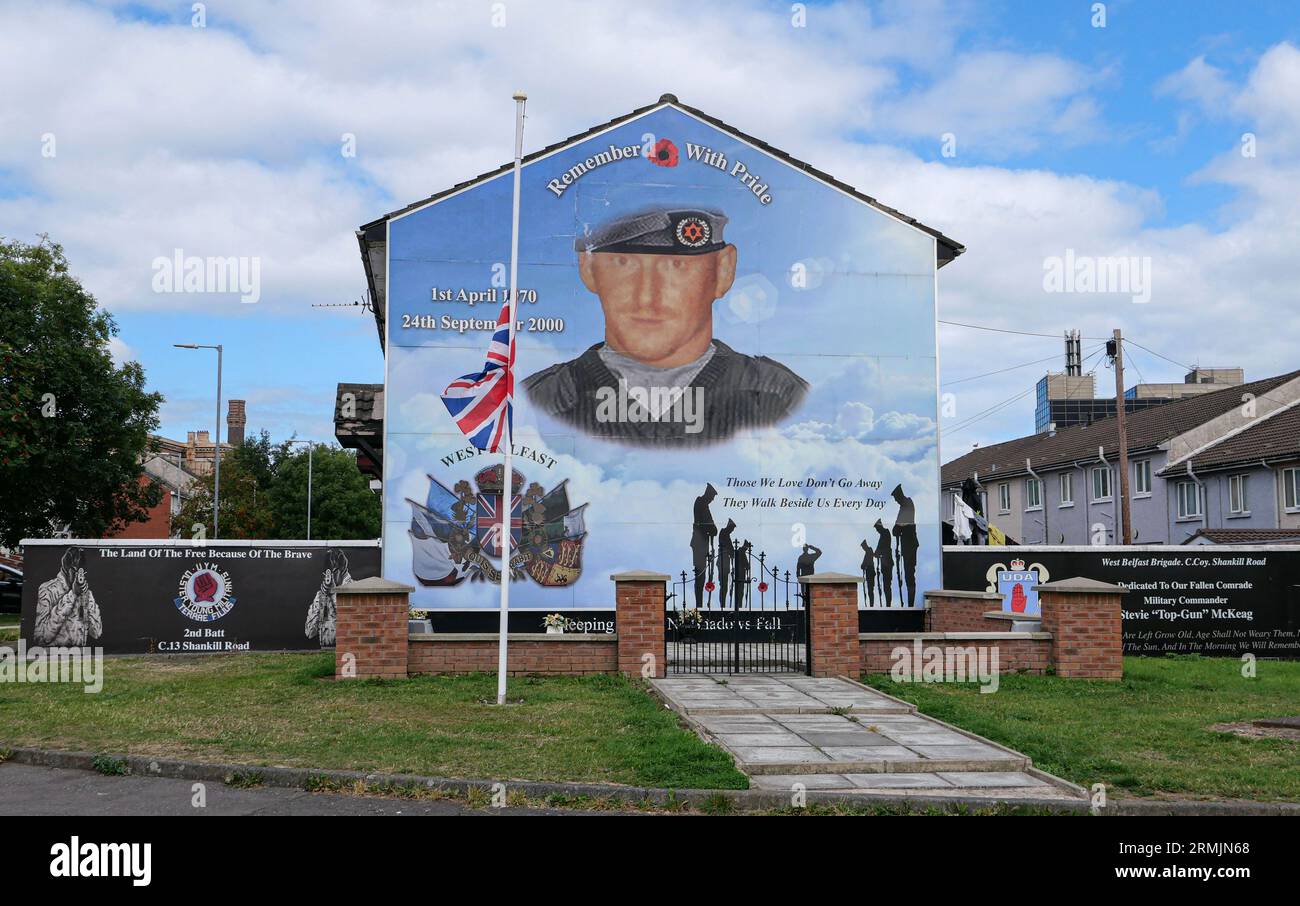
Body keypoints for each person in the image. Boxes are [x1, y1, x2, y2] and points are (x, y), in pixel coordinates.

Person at [523, 206, 809, 446]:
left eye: (677, 266)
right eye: (624, 263)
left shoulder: (779, 397)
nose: (648, 296)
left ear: (723, 271)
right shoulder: (537, 402)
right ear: (588, 269)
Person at [35, 547, 102, 647]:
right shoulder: (48, 590)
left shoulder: (86, 593)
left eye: (84, 573)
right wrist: (72, 595)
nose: (81, 577)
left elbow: (96, 632)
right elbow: (42, 637)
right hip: (55, 654)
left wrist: (85, 598)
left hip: (80, 654)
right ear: (67, 568)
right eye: (77, 572)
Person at [306, 549, 352, 647]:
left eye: (333, 572)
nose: (328, 577)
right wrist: (321, 599)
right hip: (325, 650)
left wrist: (333, 593)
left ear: (342, 569)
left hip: (347, 647)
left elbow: (350, 619)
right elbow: (309, 632)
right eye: (326, 574)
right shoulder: (322, 594)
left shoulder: (354, 589)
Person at [690, 484, 718, 609]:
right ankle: (699, 606)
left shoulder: (704, 505)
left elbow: (712, 527)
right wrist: (711, 528)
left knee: (702, 576)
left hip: (703, 544)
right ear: (708, 494)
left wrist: (712, 528)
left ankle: (700, 605)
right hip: (699, 544)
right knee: (700, 576)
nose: (712, 500)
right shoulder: (701, 503)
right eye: (712, 497)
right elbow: (708, 524)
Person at [890, 484, 919, 607]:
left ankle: (911, 604)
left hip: (909, 546)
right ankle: (910, 603)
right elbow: (896, 530)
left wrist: (898, 528)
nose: (896, 501)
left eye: (896, 499)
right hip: (907, 545)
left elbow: (896, 528)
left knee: (909, 576)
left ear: (899, 496)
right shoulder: (905, 505)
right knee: (908, 575)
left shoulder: (906, 505)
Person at [873, 519, 894, 607]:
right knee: (886, 585)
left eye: (877, 529)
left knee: (887, 585)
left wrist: (876, 553)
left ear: (880, 527)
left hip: (887, 563)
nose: (877, 531)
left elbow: (880, 548)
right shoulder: (884, 534)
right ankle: (888, 604)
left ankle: (888, 605)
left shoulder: (885, 533)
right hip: (885, 563)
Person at [717, 518, 737, 609]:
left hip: (725, 563)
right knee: (723, 585)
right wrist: (732, 552)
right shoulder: (724, 533)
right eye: (732, 529)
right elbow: (730, 549)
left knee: (724, 585)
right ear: (729, 527)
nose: (732, 531)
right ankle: (722, 605)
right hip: (723, 563)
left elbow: (731, 550)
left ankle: (723, 604)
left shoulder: (725, 534)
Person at [860, 538, 877, 606]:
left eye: (863, 547)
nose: (863, 548)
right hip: (869, 572)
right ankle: (871, 604)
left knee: (870, 589)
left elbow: (864, 563)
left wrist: (863, 565)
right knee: (870, 589)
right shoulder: (868, 551)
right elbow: (863, 565)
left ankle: (871, 604)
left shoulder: (869, 551)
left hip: (870, 571)